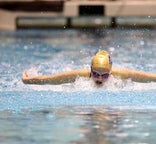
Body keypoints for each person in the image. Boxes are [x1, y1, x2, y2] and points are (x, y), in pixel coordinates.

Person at [22, 50, 156, 86]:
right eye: (96, 74)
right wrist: (29, 80)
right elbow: (49, 80)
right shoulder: (80, 75)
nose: (99, 79)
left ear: (110, 72)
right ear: (90, 69)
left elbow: (150, 78)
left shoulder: (122, 74)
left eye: (105, 75)